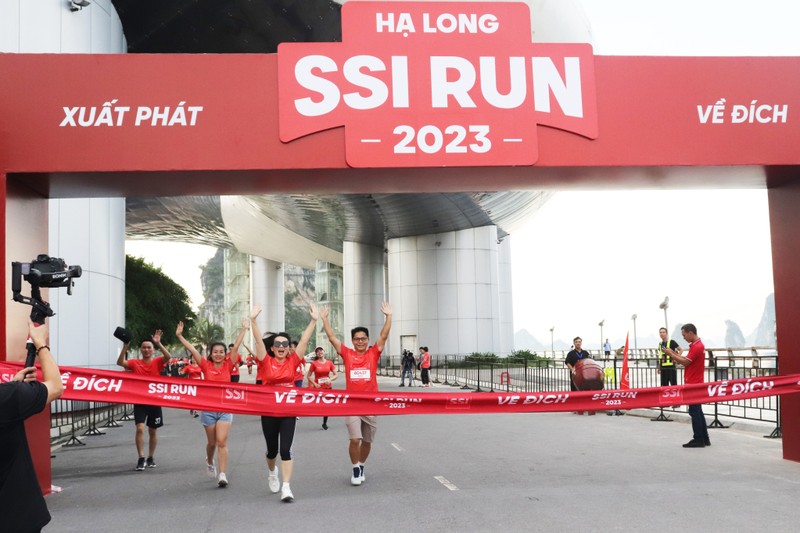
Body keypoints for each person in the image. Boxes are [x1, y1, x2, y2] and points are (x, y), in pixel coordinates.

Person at [250, 303, 318, 503]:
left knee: (285, 449)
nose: (281, 347)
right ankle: (272, 473)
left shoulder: (293, 361)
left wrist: (313, 320)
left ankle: (286, 487)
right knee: (272, 450)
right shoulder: (265, 360)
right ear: (272, 348)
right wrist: (253, 321)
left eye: (285, 345)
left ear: (289, 348)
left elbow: (305, 340)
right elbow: (257, 341)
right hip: (269, 411)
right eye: (277, 345)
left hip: (288, 410)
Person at [0, 320, 63, 533]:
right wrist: (40, 344)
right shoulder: (8, 398)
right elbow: (55, 387)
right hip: (17, 517)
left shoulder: (9, 396)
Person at [320, 302, 392, 487]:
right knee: (355, 439)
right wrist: (325, 319)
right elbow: (331, 337)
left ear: (367, 340)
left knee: (367, 441)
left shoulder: (373, 353)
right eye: (357, 339)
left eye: (363, 338)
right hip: (352, 404)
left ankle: (361, 465)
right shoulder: (347, 353)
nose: (360, 341)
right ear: (352, 341)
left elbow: (384, 335)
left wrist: (389, 316)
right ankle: (354, 468)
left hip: (371, 404)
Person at [176, 318, 246, 487]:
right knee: (212, 443)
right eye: (215, 351)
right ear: (211, 353)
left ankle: (222, 474)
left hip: (224, 408)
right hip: (208, 409)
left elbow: (235, 347)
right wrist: (180, 336)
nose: (219, 354)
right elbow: (192, 349)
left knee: (222, 441)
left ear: (225, 354)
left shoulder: (229, 365)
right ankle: (209, 460)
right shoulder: (205, 365)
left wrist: (244, 328)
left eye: (221, 351)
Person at [116, 329, 171, 470]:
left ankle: (150, 457)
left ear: (152, 350)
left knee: (153, 431)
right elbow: (120, 362)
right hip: (140, 401)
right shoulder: (135, 363)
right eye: (144, 347)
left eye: (149, 347)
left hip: (154, 401)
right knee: (140, 429)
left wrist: (158, 343)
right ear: (141, 350)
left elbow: (168, 356)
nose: (146, 350)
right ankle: (141, 457)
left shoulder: (158, 362)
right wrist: (125, 346)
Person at [664, 323, 710, 448]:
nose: (683, 338)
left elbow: (685, 362)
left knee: (694, 411)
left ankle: (698, 439)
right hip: (696, 382)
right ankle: (704, 438)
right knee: (698, 411)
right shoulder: (697, 346)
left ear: (691, 333)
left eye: (684, 335)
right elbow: (687, 360)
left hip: (693, 384)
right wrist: (675, 355)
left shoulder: (697, 347)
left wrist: (671, 354)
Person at [306, 346, 338, 430]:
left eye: (321, 350)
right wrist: (314, 384)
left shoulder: (329, 363)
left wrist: (330, 379)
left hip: (327, 387)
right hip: (318, 387)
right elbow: (308, 376)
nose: (320, 352)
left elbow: (336, 375)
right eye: (317, 351)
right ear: (316, 354)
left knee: (327, 406)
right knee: (319, 405)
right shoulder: (314, 363)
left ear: (324, 352)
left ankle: (324, 422)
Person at [565, 336, 594, 415]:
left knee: (585, 390)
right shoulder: (571, 353)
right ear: (574, 343)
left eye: (579, 342)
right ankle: (575, 407)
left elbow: (589, 361)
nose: (578, 343)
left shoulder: (585, 353)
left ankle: (585, 406)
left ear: (581, 343)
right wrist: (572, 370)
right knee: (575, 390)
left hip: (584, 375)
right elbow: (567, 362)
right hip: (575, 374)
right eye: (576, 342)